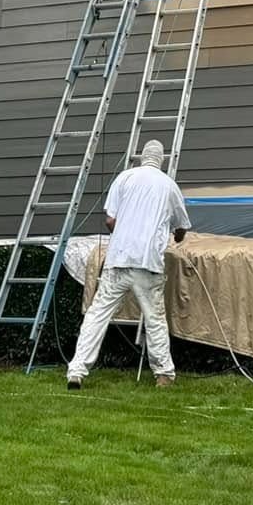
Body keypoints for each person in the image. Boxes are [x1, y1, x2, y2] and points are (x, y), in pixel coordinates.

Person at [66, 139, 190, 390]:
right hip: (148, 263)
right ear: (161, 159)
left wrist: (125, 233)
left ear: (142, 156)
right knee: (154, 319)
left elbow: (110, 221)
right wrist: (176, 236)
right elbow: (181, 228)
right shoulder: (169, 186)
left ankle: (76, 371)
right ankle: (164, 374)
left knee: (97, 315)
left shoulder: (124, 178)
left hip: (118, 260)